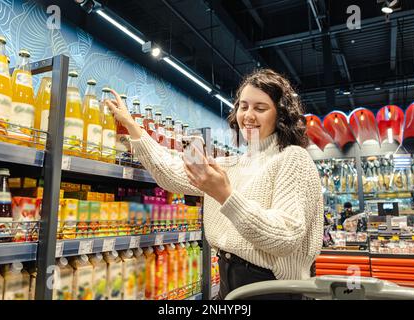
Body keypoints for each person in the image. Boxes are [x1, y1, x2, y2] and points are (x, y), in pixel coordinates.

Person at [105, 69, 323, 300]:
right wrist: (132, 126)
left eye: (260, 108)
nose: (248, 115)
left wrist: (225, 194)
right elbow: (170, 173)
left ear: (281, 115)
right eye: (244, 106)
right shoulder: (231, 164)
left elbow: (284, 238)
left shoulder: (293, 159)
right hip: (228, 283)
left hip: (272, 289)